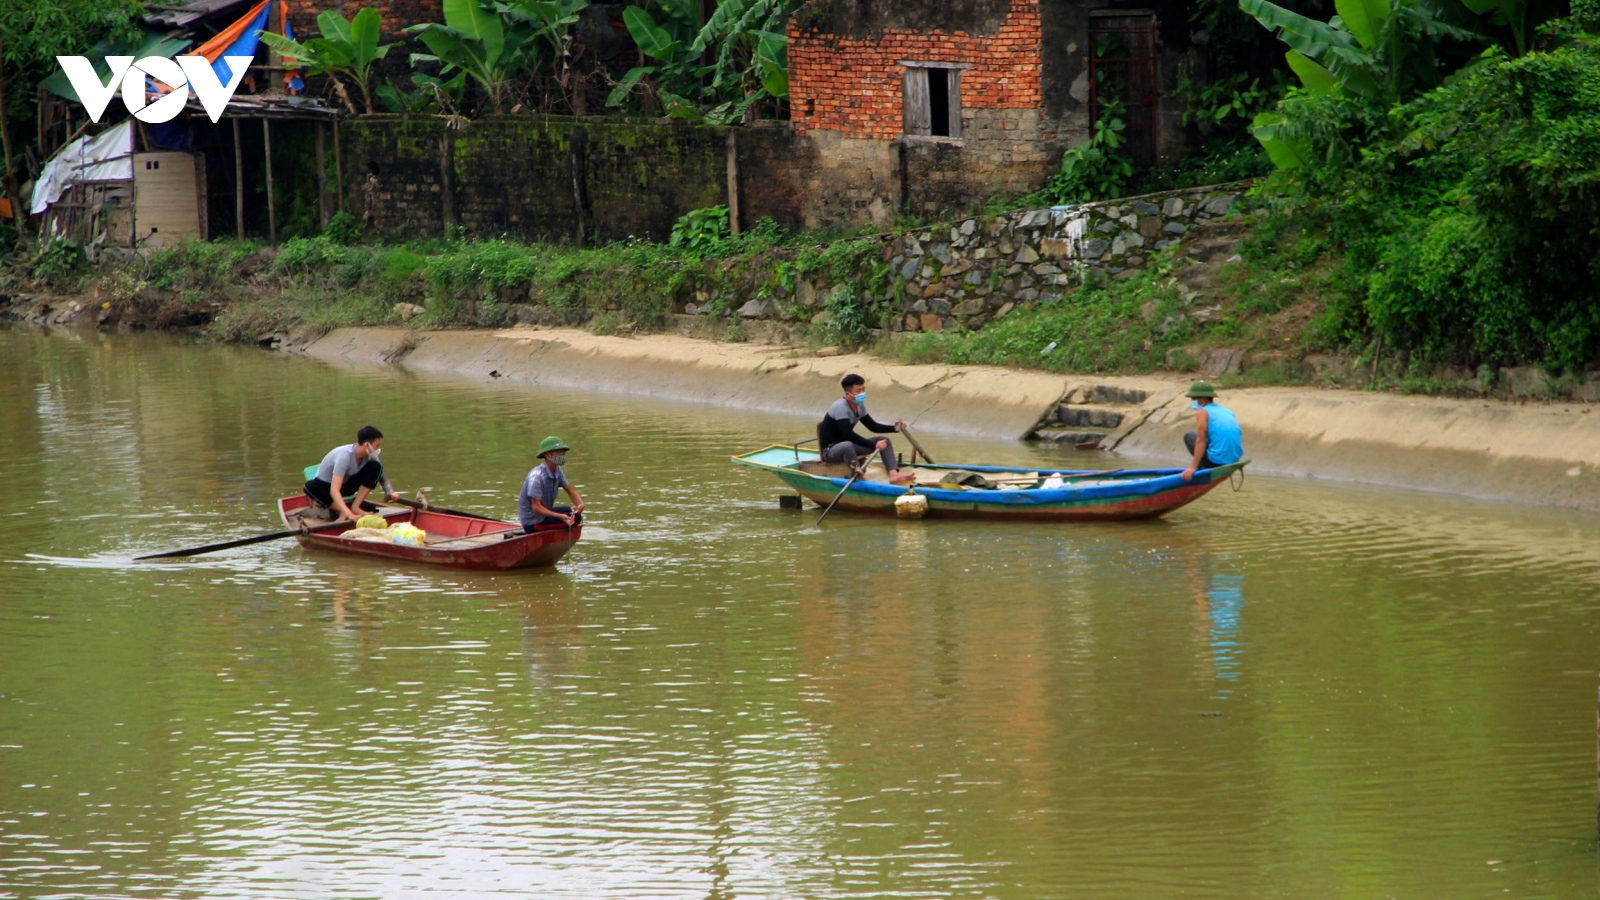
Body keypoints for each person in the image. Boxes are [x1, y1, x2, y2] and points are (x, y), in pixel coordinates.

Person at [820, 373, 917, 485]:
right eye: (858, 391)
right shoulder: (840, 407)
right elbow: (848, 435)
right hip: (830, 450)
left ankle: (893, 475)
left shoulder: (859, 405)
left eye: (863, 389)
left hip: (849, 446)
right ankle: (860, 477)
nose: (862, 393)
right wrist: (873, 445)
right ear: (848, 394)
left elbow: (873, 426)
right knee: (847, 445)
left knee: (884, 440)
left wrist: (895, 428)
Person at [305, 425, 398, 521]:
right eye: (377, 445)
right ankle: (344, 510)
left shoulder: (370, 455)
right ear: (367, 445)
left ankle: (355, 507)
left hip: (345, 485)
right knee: (310, 487)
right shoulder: (344, 456)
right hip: (327, 488)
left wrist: (390, 492)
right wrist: (349, 514)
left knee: (376, 466)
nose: (379, 449)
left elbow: (381, 476)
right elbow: (334, 490)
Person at [519, 436, 585, 531]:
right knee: (575, 519)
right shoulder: (537, 477)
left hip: (544, 514)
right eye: (558, 452)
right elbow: (536, 508)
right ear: (547, 454)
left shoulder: (558, 471)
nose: (562, 454)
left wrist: (580, 504)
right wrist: (559, 516)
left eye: (563, 451)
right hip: (534, 521)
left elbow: (570, 490)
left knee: (573, 513)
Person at [1181, 381, 1244, 482]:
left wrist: (1193, 467)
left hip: (1216, 461)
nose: (1192, 401)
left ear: (1204, 399)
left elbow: (1200, 440)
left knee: (1189, 436)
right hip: (1233, 459)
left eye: (1194, 399)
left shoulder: (1202, 412)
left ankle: (1203, 468)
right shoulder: (1226, 410)